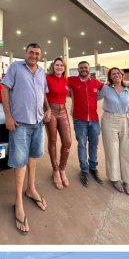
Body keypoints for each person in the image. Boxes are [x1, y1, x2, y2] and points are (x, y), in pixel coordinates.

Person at [1, 43, 51, 235]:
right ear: (25, 53)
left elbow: (43, 93)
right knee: (20, 162)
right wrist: (8, 116)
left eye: (37, 53)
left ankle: (31, 189)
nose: (34, 56)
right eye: (31, 52)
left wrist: (47, 109)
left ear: (40, 56)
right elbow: (4, 89)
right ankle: (18, 202)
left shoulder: (41, 72)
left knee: (33, 157)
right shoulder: (15, 68)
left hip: (38, 122)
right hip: (20, 123)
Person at [99, 68, 129, 195]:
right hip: (109, 120)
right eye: (113, 74)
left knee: (127, 151)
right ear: (110, 77)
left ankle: (128, 180)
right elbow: (93, 97)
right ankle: (115, 178)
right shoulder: (106, 89)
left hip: (124, 120)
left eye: (118, 73)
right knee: (112, 150)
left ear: (122, 75)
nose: (116, 75)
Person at [67, 61, 105, 187]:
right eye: (81, 68)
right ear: (78, 69)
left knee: (94, 145)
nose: (83, 69)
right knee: (82, 145)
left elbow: (107, 89)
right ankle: (84, 170)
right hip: (79, 119)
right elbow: (58, 81)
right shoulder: (72, 80)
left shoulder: (96, 82)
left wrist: (124, 86)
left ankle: (93, 168)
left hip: (94, 119)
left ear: (89, 69)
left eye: (86, 68)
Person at [45, 57, 71, 189]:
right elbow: (42, 93)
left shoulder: (67, 80)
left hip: (63, 111)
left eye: (61, 65)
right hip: (51, 110)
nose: (59, 67)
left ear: (64, 67)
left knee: (67, 142)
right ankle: (55, 170)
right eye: (57, 65)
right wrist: (47, 109)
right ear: (53, 66)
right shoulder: (47, 78)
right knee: (52, 141)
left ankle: (62, 169)